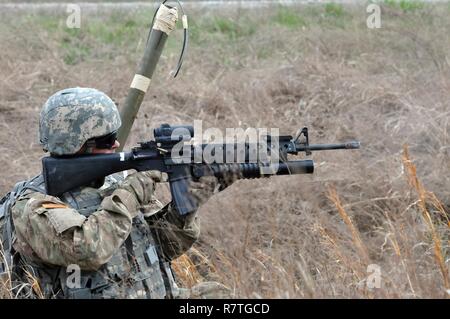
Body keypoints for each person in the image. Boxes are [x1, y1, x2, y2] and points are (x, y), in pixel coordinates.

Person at [0, 87, 230, 299]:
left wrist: (188, 202)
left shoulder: (114, 183)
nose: (116, 144)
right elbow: (88, 249)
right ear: (76, 145)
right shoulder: (32, 204)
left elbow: (164, 247)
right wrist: (134, 189)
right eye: (107, 139)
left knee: (217, 294)